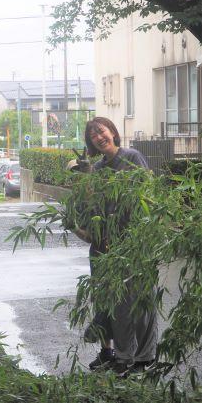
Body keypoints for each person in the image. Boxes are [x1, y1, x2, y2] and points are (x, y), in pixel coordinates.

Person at [72, 117, 157, 374]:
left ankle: (145, 357)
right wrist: (85, 178)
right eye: (93, 135)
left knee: (141, 301)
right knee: (118, 305)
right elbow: (93, 208)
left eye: (101, 131)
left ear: (112, 131)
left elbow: (148, 194)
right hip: (109, 246)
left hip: (136, 242)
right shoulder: (97, 168)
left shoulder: (132, 157)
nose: (99, 137)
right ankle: (123, 356)